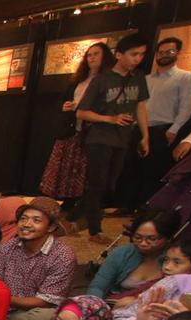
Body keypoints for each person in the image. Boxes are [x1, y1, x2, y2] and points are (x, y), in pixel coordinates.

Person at [76, 34, 151, 240]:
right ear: (119, 55)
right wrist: (111, 119)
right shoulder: (102, 79)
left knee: (110, 184)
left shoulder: (138, 77)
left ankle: (80, 214)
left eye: (141, 54)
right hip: (100, 138)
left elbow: (141, 107)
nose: (137, 59)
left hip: (123, 138)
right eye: (133, 54)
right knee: (97, 183)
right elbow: (82, 112)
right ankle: (94, 228)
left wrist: (145, 136)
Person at [40, 43, 116, 208]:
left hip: (93, 130)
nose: (92, 58)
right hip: (71, 128)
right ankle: (66, 200)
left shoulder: (109, 81)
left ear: (105, 57)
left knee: (83, 169)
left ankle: (82, 203)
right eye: (89, 55)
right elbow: (64, 100)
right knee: (65, 166)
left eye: (96, 54)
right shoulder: (78, 80)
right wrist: (65, 106)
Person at [0, 197, 77, 320]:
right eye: (23, 219)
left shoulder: (62, 256)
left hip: (34, 312)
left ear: (51, 227)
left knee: (47, 317)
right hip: (2, 307)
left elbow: (45, 302)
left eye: (36, 220)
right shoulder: (6, 248)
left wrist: (3, 298)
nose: (26, 224)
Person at [136, 36, 191, 204]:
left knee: (157, 172)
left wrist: (174, 129)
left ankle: (153, 208)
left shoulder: (185, 77)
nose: (163, 55)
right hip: (142, 129)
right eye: (160, 52)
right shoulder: (146, 79)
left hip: (164, 130)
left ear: (177, 53)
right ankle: (136, 206)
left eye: (169, 51)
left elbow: (187, 107)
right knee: (139, 171)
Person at [86, 209, 180, 299]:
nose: (143, 243)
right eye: (137, 237)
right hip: (115, 305)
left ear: (168, 238)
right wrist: (95, 305)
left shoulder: (177, 260)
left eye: (151, 239)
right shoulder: (121, 254)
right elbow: (97, 287)